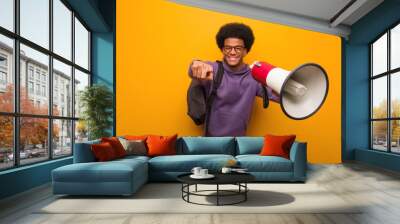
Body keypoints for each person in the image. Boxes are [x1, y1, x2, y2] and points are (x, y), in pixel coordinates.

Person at [188, 22, 279, 137]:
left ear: (246, 51)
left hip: (238, 145)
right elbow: (193, 70)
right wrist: (196, 63)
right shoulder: (214, 69)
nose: (232, 52)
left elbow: (280, 96)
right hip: (210, 143)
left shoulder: (254, 77)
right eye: (228, 48)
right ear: (222, 49)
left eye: (238, 48)